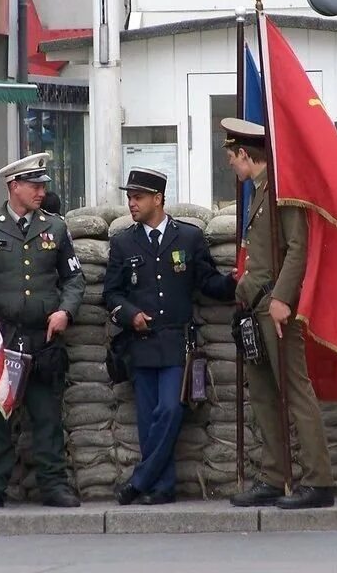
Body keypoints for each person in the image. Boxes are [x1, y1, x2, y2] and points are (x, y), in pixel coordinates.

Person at [220, 117, 334, 510]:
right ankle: (274, 475)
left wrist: (284, 298)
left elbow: (298, 248)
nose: (230, 166)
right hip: (256, 307)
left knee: (296, 392)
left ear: (244, 154)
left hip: (275, 307)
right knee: (265, 395)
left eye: (231, 157)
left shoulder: (281, 193)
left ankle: (318, 481)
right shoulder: (259, 193)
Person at [103, 168, 236, 506]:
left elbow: (207, 283)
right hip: (141, 344)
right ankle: (161, 488)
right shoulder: (123, 242)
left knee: (171, 410)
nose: (131, 204)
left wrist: (235, 281)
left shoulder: (188, 238)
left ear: (157, 199)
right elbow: (111, 294)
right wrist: (130, 315)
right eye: (129, 197)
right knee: (148, 418)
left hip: (177, 342)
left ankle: (140, 480)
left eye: (138, 197)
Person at [0, 152, 85, 510]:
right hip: (1, 335)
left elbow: (74, 278)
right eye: (34, 185)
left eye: (43, 185)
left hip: (42, 337)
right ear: (13, 187)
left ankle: (53, 485)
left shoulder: (55, 227)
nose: (40, 191)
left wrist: (65, 310)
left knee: (47, 415)